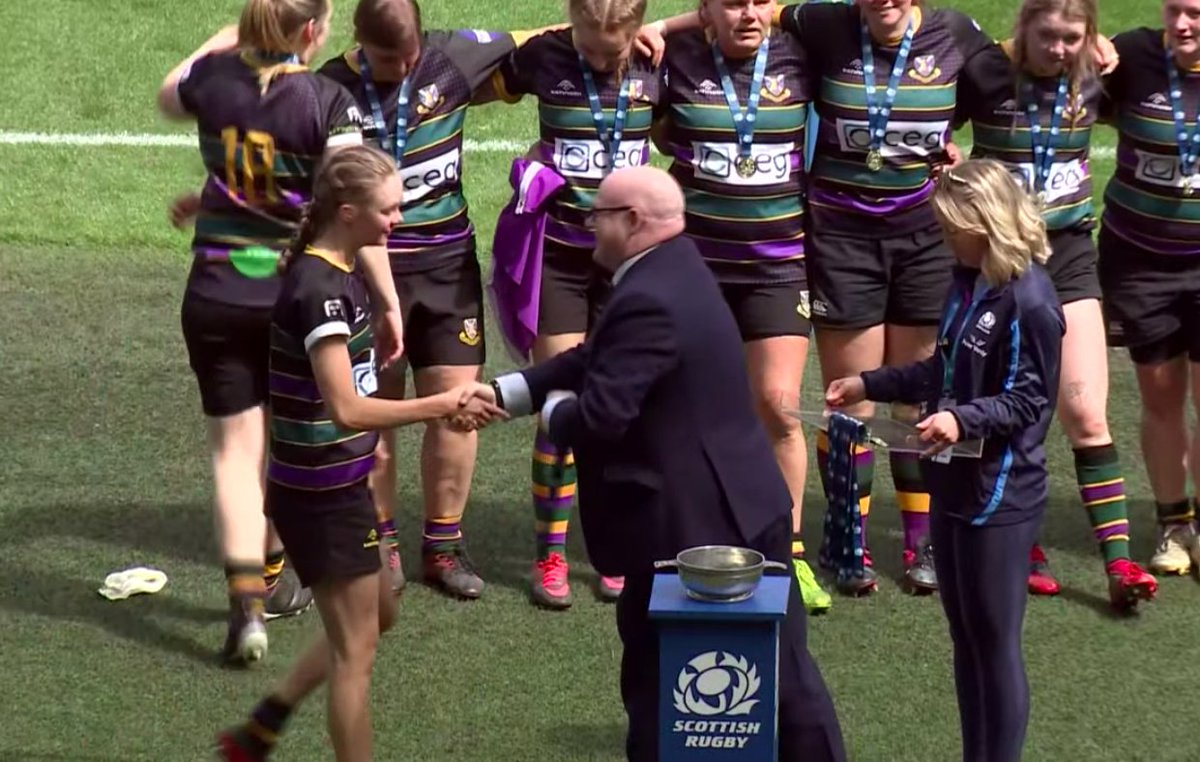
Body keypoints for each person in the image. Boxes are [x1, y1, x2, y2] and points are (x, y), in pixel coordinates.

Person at [480, 165, 845, 762]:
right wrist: (505, 394)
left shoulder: (646, 295)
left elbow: (601, 415)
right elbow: (596, 355)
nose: (588, 224)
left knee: (662, 683)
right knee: (786, 672)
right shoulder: (676, 267)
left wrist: (553, 413)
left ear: (632, 221)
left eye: (598, 215)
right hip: (744, 500)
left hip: (692, 528)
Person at [215, 145, 504, 762]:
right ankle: (271, 730)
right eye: (389, 210)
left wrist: (369, 451)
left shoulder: (341, 271)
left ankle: (267, 717)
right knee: (357, 654)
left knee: (380, 614)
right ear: (348, 213)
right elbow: (346, 406)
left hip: (340, 482)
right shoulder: (321, 291)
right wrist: (442, 404)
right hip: (317, 496)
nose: (399, 220)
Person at [156, 0, 404, 664]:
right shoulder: (327, 102)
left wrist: (232, 35)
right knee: (298, 442)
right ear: (312, 31)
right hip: (296, 305)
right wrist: (385, 300)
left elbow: (166, 93)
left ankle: (248, 609)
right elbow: (353, 206)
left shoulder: (213, 78)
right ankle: (327, 567)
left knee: (235, 456)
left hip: (212, 296)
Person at [316, 0, 559, 600]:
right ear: (357, 43)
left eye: (409, 57)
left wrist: (654, 33)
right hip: (365, 275)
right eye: (384, 61)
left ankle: (444, 545)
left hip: (446, 270)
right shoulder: (330, 88)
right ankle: (383, 542)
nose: (401, 70)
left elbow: (547, 38)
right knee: (378, 412)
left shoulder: (452, 58)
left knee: (459, 404)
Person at [827, 158, 1064, 762]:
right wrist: (870, 383)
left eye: (948, 224)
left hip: (1001, 492)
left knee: (994, 642)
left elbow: (1030, 398)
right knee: (965, 639)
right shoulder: (966, 283)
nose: (941, 235)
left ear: (983, 222)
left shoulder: (1031, 300)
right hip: (952, 479)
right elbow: (943, 369)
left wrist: (962, 418)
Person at [956, 0, 1158, 608]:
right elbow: (934, 123)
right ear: (1023, 30)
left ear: (1092, 37)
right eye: (1048, 36)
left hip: (1069, 255)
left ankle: (1120, 565)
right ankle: (1022, 543)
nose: (1061, 50)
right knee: (1004, 409)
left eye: (1074, 38)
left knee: (1086, 412)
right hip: (998, 260)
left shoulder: (1101, 73)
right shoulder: (984, 71)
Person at [653, 0, 830, 613]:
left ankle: (790, 551)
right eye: (733, 2)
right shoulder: (674, 58)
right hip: (696, 270)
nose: (749, 13)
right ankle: (691, 543)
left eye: (760, 1)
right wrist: (665, 27)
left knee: (780, 409)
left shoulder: (801, 53)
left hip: (778, 269)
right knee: (688, 411)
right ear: (705, 11)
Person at [487, 0, 664, 609]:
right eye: (587, 42)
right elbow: (473, 84)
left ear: (639, 30)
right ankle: (551, 555)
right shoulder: (543, 54)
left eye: (611, 48)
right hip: (562, 261)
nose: (598, 55)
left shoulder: (655, 64)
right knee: (559, 406)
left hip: (630, 267)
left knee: (626, 410)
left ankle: (613, 547)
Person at [1099, 0, 1200, 578]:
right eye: (1173, 11)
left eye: (1194, 14)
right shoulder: (1134, 55)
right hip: (1142, 262)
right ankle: (1172, 523)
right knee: (1161, 397)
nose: (1180, 25)